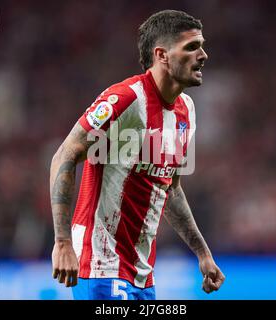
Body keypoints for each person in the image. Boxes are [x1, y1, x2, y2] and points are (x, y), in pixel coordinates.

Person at [50, 9, 225, 300]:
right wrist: (63, 242)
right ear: (162, 55)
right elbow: (64, 155)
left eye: (202, 45)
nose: (203, 54)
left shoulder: (187, 111)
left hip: (142, 276)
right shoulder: (126, 99)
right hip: (100, 267)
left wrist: (202, 253)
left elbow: (170, 188)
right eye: (192, 47)